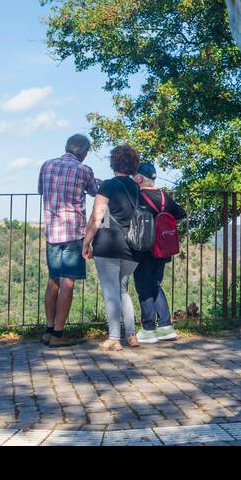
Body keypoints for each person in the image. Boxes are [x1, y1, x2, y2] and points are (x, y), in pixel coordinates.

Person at [82, 144, 145, 350]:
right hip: (133, 248)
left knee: (111, 293)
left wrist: (86, 241)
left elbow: (97, 216)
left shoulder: (108, 185)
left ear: (113, 162)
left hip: (108, 245)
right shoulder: (137, 188)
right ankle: (131, 336)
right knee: (123, 291)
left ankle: (114, 338)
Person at [38, 133, 98, 347]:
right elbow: (95, 191)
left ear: (66, 147)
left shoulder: (47, 165)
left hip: (52, 231)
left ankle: (48, 329)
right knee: (67, 282)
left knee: (53, 280)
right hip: (73, 232)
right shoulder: (83, 170)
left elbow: (40, 190)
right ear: (83, 153)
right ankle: (58, 334)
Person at [132, 162, 186, 343]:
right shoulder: (164, 197)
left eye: (135, 176)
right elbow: (181, 213)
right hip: (163, 249)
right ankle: (165, 326)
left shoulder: (137, 196)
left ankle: (149, 328)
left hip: (144, 248)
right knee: (155, 284)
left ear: (140, 178)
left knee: (143, 287)